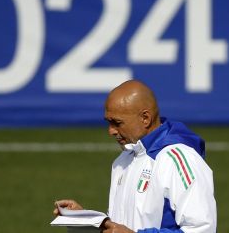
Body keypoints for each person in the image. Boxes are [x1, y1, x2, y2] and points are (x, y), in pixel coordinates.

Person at [53, 80, 216, 233]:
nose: (111, 131)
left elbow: (202, 229)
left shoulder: (178, 159)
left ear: (145, 118)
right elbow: (124, 225)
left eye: (117, 123)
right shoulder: (123, 161)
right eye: (108, 122)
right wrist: (89, 220)